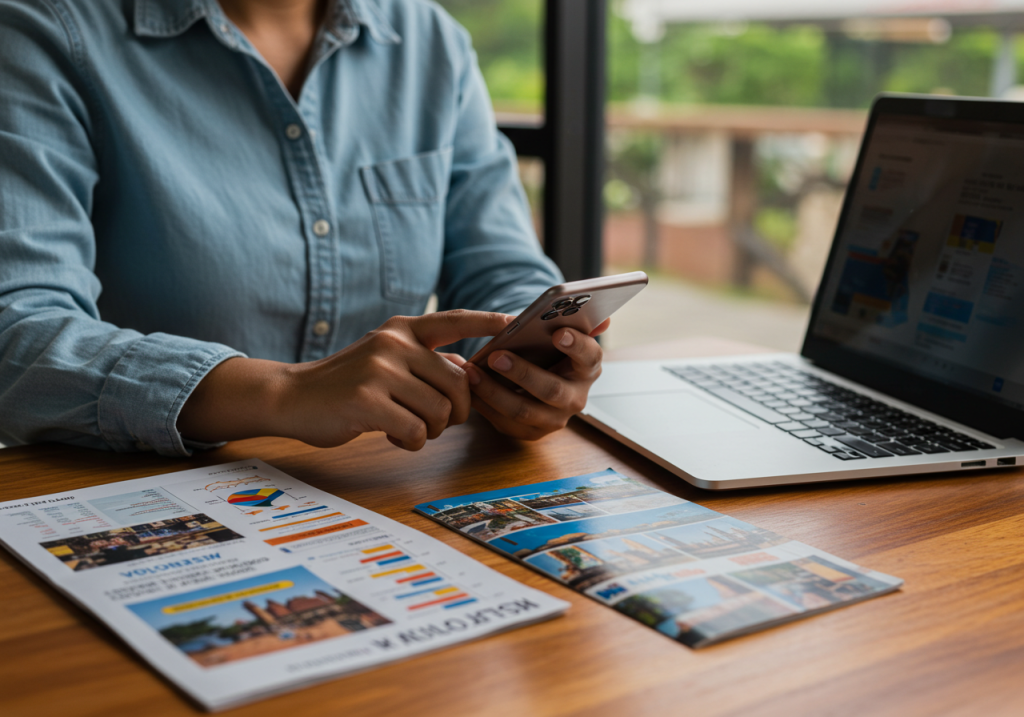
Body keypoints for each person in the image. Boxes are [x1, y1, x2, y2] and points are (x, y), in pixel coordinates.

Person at [0, 0, 607, 456]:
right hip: (147, 496)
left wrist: (529, 362)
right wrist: (284, 392)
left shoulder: (431, 41)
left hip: (379, 484)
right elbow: (17, 331)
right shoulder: (45, 30)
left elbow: (499, 265)